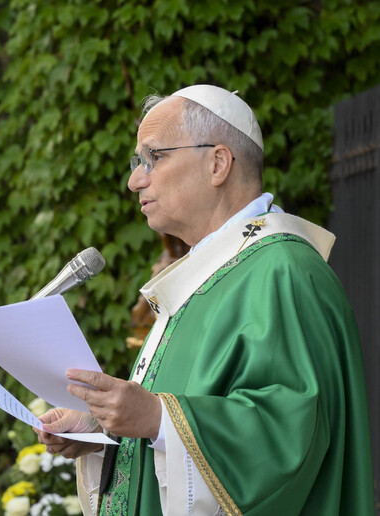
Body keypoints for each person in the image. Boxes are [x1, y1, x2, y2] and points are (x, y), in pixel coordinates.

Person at [35, 84, 374, 515]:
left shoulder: (282, 271)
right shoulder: (209, 274)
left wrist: (156, 417)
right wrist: (105, 430)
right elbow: (179, 414)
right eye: (137, 163)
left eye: (153, 158)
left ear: (217, 164)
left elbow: (289, 438)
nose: (135, 180)